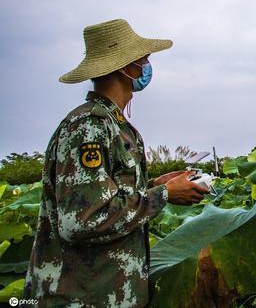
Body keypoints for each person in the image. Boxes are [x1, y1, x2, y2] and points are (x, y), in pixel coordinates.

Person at [23, 18, 210, 307]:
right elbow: (83, 220)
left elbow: (102, 194)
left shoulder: (114, 124)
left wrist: (154, 185)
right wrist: (164, 195)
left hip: (108, 293)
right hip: (82, 297)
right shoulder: (89, 127)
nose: (147, 65)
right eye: (143, 59)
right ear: (125, 68)